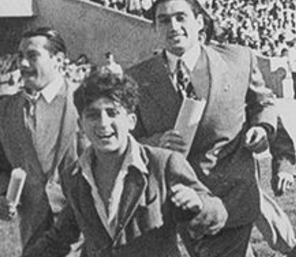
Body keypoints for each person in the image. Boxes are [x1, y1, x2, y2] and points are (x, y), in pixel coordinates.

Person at [127, 0, 277, 257]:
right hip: (177, 199)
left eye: (180, 17)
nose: (173, 27)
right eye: (163, 20)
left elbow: (262, 103)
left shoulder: (238, 59)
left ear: (199, 22)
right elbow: (129, 138)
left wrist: (262, 128)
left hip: (233, 194)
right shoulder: (138, 78)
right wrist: (154, 143)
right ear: (154, 28)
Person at [22, 71, 227, 257]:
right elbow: (60, 238)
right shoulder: (74, 176)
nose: (103, 123)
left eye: (112, 113)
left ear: (131, 121)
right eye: (93, 115)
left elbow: (217, 215)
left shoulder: (163, 164)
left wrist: (199, 204)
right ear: (81, 125)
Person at [0, 28, 85, 254]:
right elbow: (2, 167)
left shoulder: (85, 101)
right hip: (33, 230)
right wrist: (3, 196)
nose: (23, 64)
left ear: (58, 60)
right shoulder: (6, 108)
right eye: (20, 56)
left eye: (32, 55)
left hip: (83, 231)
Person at [256, 117, 296, 257]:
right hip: (193, 176)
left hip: (236, 173)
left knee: (254, 200)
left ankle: (293, 248)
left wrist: (284, 165)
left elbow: (267, 113)